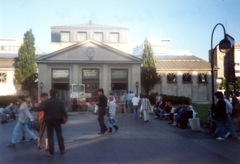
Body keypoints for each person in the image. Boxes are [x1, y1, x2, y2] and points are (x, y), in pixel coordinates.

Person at [32, 89, 67, 157]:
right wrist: (65, 118)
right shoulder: (60, 101)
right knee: (59, 135)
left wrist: (32, 108)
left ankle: (51, 152)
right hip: (58, 120)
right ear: (56, 94)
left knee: (50, 136)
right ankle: (62, 149)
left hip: (49, 120)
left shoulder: (46, 102)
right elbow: (64, 111)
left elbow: (40, 108)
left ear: (50, 94)